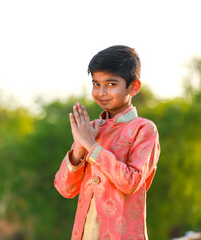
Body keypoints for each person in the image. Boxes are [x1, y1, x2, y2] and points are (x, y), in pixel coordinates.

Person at [54, 45, 160, 240]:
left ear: (134, 86)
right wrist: (79, 147)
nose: (101, 92)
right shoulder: (90, 129)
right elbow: (64, 188)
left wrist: (92, 147)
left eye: (111, 84)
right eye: (96, 84)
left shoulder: (144, 129)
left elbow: (130, 182)